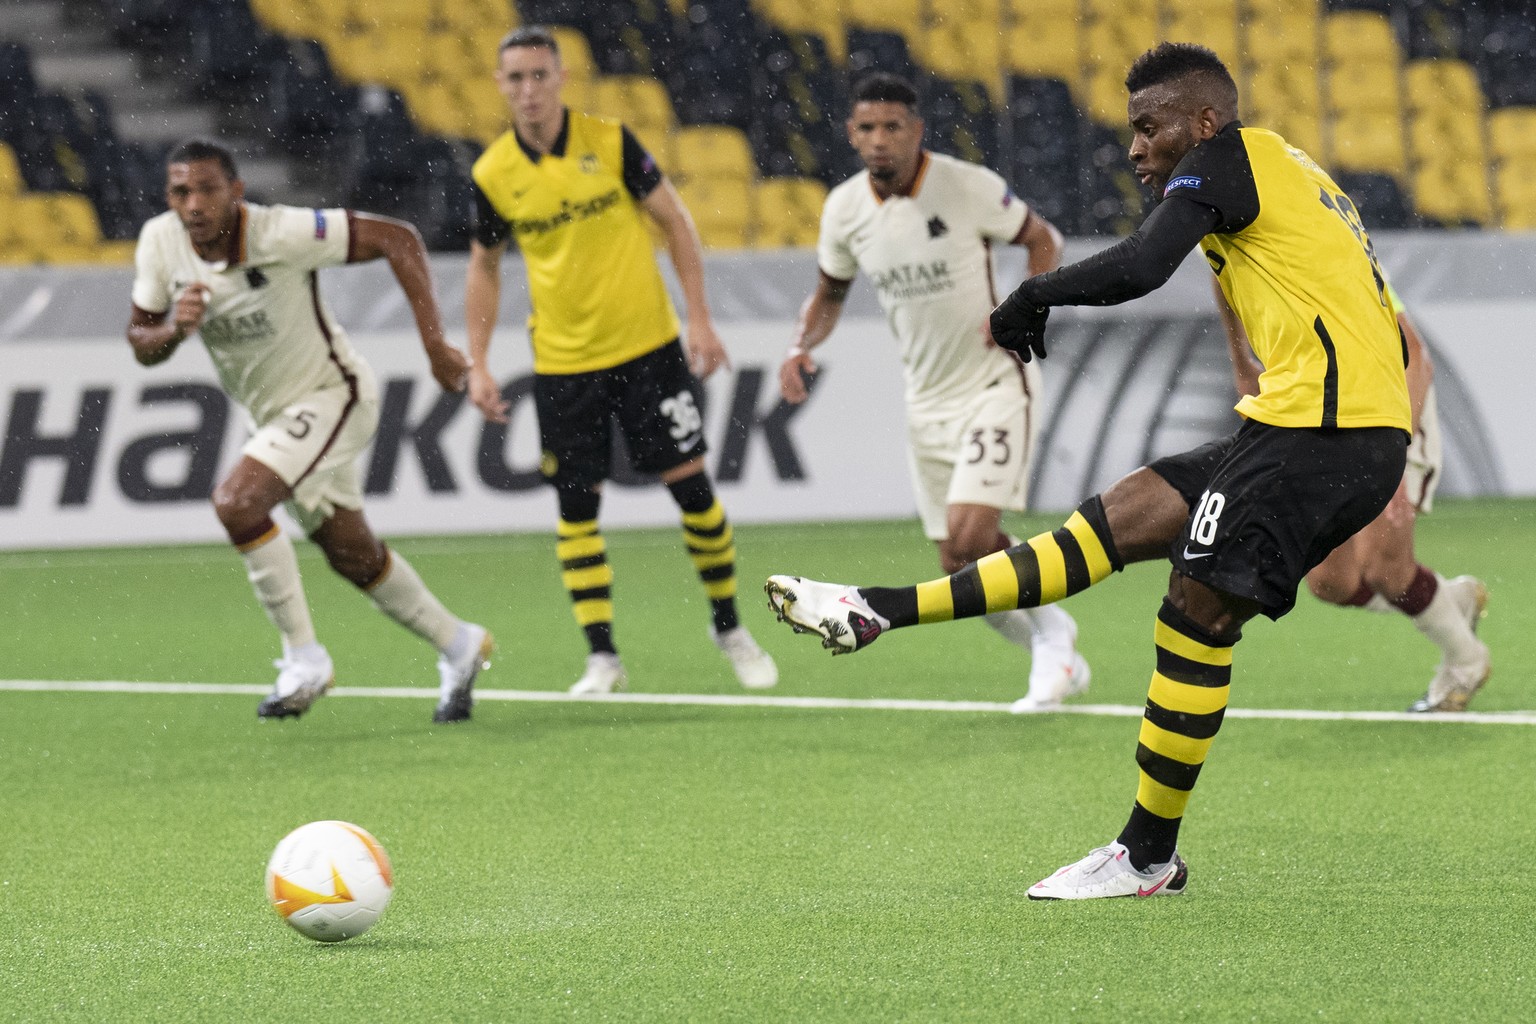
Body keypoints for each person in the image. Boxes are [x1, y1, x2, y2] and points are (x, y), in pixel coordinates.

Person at [766, 42, 1410, 899]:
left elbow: (1144, 264)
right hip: (1309, 423)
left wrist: (1034, 295)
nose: (1136, 147)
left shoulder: (1228, 161)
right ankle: (876, 608)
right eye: (1129, 130)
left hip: (1327, 428)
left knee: (1197, 608)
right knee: (1121, 516)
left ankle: (1145, 857)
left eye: (1151, 127)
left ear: (1205, 121)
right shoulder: (1282, 166)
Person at [127, 140, 494, 723]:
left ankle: (304, 658)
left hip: (334, 396)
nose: (193, 204)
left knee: (238, 502)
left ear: (236, 191)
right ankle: (459, 643)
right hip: (273, 419)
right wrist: (173, 330)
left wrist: (434, 346)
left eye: (207, 189)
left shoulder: (283, 231)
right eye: (180, 192)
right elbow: (141, 343)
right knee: (351, 553)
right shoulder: (160, 242)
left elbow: (398, 238)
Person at [463, 26, 777, 694]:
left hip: (648, 350)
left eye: (539, 76)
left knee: (692, 489)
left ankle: (729, 627)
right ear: (499, 86)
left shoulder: (610, 142)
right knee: (577, 510)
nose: (528, 90)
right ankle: (602, 657)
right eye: (515, 78)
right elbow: (483, 267)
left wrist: (698, 317)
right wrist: (480, 362)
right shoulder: (493, 173)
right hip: (564, 364)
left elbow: (676, 223)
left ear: (561, 78)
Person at [779, 72, 1087, 710]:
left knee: (974, 536)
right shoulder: (844, 210)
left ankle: (1054, 638)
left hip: (995, 381)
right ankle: (1050, 649)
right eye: (868, 128)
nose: (880, 139)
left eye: (894, 126)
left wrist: (1024, 310)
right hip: (926, 399)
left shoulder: (965, 185)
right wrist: (799, 347)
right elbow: (830, 293)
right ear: (851, 135)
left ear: (917, 131)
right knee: (956, 562)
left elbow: (1043, 240)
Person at [1213, 276, 1489, 711]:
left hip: (1391, 406)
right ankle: (1448, 600)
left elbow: (1415, 355)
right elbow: (1220, 271)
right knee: (1330, 583)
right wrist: (1240, 358)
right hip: (1323, 409)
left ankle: (1466, 660)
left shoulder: (1330, 240)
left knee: (1387, 572)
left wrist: (1398, 452)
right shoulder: (1222, 219)